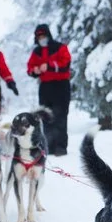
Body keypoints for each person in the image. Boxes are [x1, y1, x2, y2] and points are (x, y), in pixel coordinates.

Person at [27, 24, 71, 156]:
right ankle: (48, 145)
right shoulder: (36, 52)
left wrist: (50, 66)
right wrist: (34, 71)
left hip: (61, 86)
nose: (42, 39)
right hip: (45, 87)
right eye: (39, 37)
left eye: (43, 36)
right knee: (45, 116)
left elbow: (66, 64)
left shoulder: (60, 48)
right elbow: (30, 67)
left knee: (60, 116)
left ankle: (60, 147)